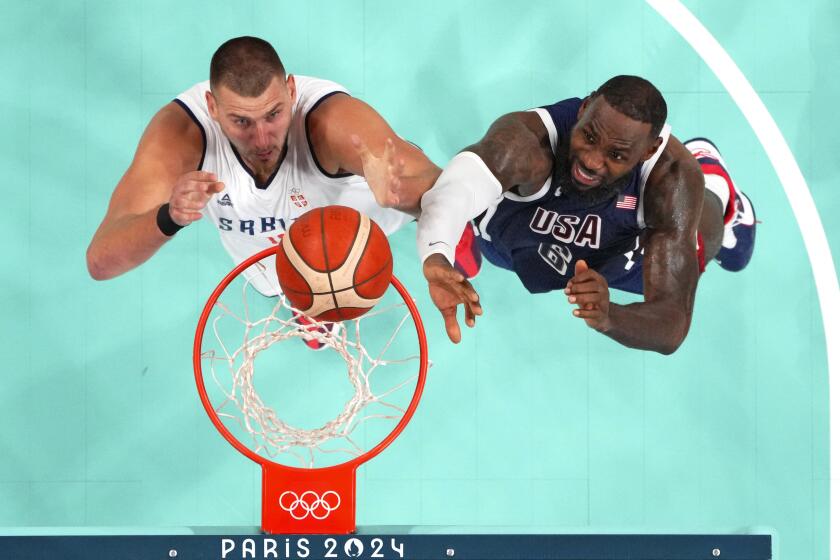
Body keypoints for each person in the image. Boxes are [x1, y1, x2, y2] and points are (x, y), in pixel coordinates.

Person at [414, 75, 756, 354]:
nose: (592, 160)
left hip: (621, 252)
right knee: (434, 194)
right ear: (584, 107)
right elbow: (455, 188)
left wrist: (610, 316)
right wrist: (436, 255)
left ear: (649, 149)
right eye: (589, 137)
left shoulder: (670, 177)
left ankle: (716, 181)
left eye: (616, 154)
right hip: (522, 235)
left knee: (699, 240)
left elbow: (672, 323)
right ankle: (459, 236)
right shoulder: (527, 142)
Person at [86, 35, 439, 293]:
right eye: (241, 122)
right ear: (212, 107)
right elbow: (100, 262)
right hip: (272, 256)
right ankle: (311, 304)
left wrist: (401, 194)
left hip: (366, 209)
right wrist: (169, 216)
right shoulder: (180, 136)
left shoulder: (332, 123)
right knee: (297, 289)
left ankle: (454, 240)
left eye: (273, 115)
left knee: (435, 213)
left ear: (290, 91)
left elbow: (438, 183)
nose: (262, 139)